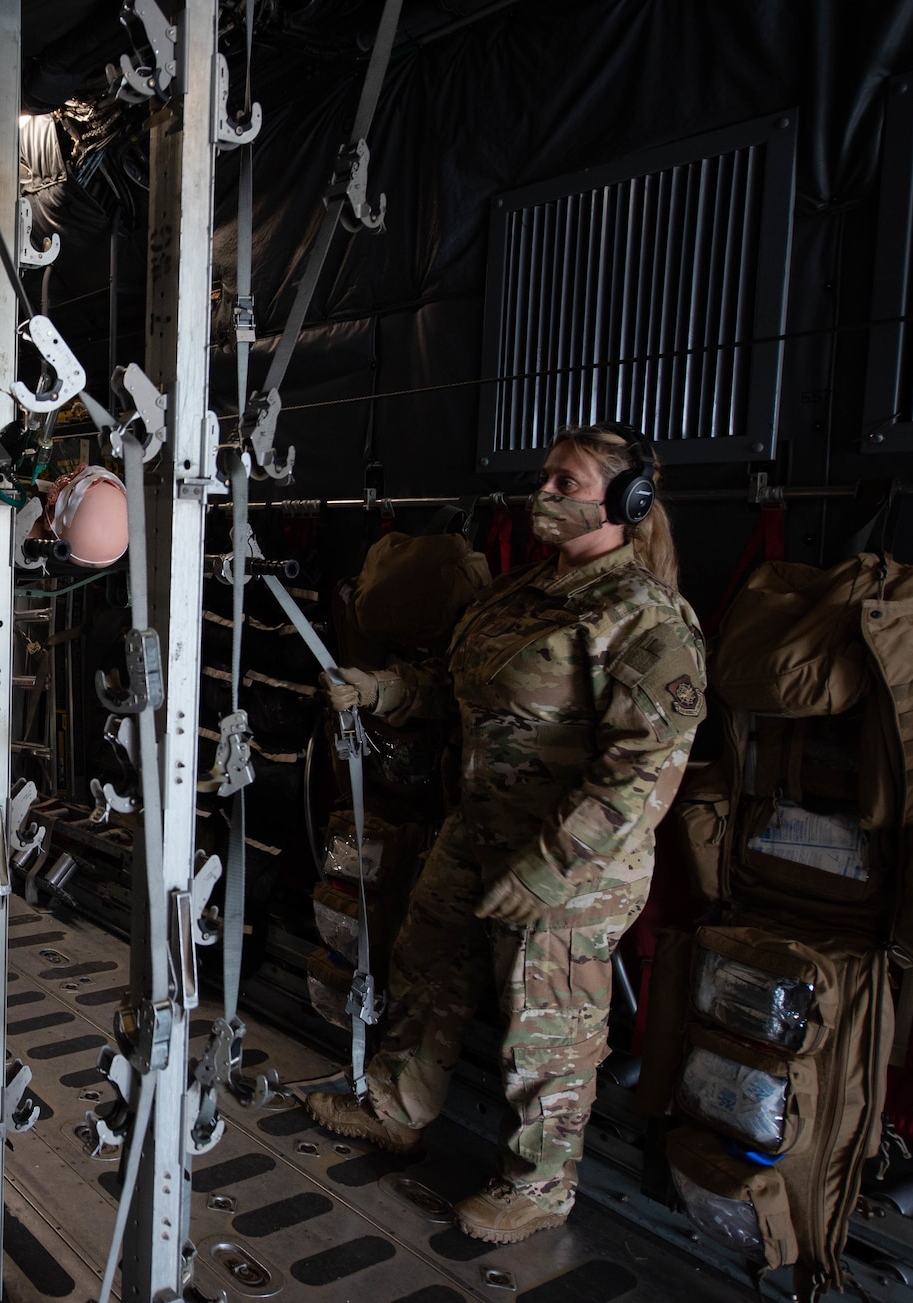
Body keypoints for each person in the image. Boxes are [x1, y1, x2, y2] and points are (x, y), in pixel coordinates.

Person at [304, 423, 707, 1245]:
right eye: (547, 478)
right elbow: (457, 689)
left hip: (572, 864)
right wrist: (384, 691)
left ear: (626, 502)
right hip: (478, 828)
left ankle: (538, 1186)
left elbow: (645, 769)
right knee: (428, 963)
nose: (546, 494)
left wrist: (553, 870)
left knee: (546, 1022)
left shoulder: (645, 617)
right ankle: (396, 1107)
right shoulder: (520, 593)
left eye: (569, 483)